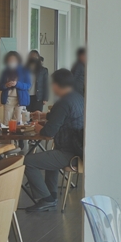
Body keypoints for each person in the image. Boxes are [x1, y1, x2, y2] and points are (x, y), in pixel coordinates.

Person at [24, 69, 85, 212]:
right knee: (51, 156)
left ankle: (46, 199)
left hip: (69, 153)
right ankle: (51, 195)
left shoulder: (63, 102)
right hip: (79, 150)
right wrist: (44, 115)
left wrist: (37, 127)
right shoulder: (78, 98)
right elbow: (63, 117)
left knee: (27, 161)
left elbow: (49, 132)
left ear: (56, 85)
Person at [0, 51, 31, 124]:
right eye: (10, 60)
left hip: (20, 99)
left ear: (18, 60)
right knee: (7, 121)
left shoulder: (24, 71)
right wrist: (6, 85)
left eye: (13, 60)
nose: (11, 62)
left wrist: (17, 84)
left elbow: (28, 85)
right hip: (8, 99)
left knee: (18, 122)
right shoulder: (5, 71)